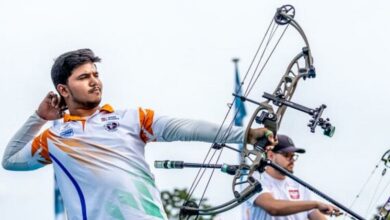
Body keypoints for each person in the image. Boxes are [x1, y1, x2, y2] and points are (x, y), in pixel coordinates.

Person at [1, 48, 276, 220]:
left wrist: (246, 135)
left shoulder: (130, 119)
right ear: (63, 89)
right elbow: (10, 159)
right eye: (83, 77)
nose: (94, 80)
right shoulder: (54, 138)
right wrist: (38, 118)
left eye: (95, 74)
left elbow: (186, 128)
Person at [246, 134, 341, 220]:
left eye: (293, 156)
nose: (292, 160)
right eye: (286, 155)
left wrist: (317, 207)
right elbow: (273, 208)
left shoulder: (299, 185)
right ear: (270, 155)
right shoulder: (255, 180)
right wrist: (315, 204)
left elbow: (313, 213)